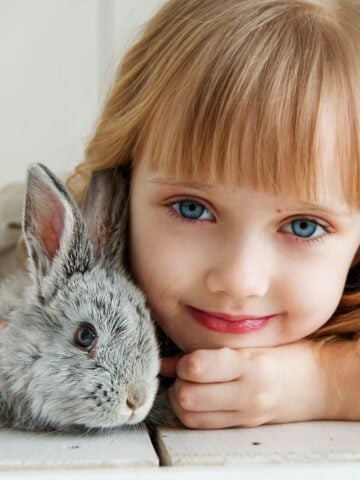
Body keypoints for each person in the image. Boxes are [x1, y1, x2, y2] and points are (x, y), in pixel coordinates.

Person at [4, 0, 360, 429]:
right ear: (125, 179)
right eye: (191, 208)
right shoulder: (45, 251)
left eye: (305, 225)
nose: (238, 280)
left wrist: (322, 383)